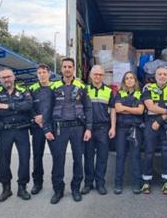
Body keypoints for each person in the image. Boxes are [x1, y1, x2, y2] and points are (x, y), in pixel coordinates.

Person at [43, 58, 92, 204]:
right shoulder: (53, 87)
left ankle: (76, 189)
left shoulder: (82, 86)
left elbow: (88, 108)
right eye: (64, 66)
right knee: (58, 160)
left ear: (74, 69)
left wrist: (88, 128)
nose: (67, 69)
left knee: (78, 159)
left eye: (70, 66)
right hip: (59, 129)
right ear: (61, 69)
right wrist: (46, 129)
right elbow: (47, 109)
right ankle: (58, 190)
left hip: (78, 128)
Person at [0, 67, 33, 202]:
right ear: (0, 79)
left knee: (25, 159)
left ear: (14, 77)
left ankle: (22, 187)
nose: (6, 79)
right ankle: (6, 188)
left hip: (22, 130)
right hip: (5, 131)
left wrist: (8, 106)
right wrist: (18, 107)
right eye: (3, 77)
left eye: (8, 76)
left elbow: (28, 106)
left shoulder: (23, 91)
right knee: (3, 160)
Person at [141, 66, 167, 194]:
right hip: (150, 123)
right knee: (149, 152)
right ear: (155, 76)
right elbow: (150, 106)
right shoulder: (148, 88)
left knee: (166, 153)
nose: (162, 76)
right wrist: (166, 110)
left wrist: (160, 118)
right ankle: (146, 181)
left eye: (165, 74)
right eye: (160, 74)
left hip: (165, 123)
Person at [82, 65, 116, 195]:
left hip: (103, 128)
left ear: (103, 76)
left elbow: (113, 110)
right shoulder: (84, 90)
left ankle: (100, 183)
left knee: (102, 157)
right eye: (95, 74)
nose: (98, 77)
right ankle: (88, 183)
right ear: (91, 75)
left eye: (100, 75)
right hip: (88, 128)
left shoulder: (108, 91)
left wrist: (113, 127)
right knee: (89, 157)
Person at [114, 71, 144, 194]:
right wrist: (133, 109)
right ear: (124, 81)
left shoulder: (140, 94)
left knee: (135, 157)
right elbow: (117, 109)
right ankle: (118, 184)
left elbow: (140, 111)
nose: (130, 80)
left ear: (135, 81)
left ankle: (137, 184)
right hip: (121, 129)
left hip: (135, 129)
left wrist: (125, 108)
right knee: (120, 156)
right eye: (127, 78)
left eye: (132, 78)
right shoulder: (119, 94)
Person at [28, 64, 53, 195]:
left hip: (52, 127)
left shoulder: (55, 87)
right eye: (39, 73)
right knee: (37, 156)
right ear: (37, 75)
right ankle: (37, 183)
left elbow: (58, 105)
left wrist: (46, 117)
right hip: (37, 127)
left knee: (57, 156)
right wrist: (35, 116)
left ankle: (57, 183)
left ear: (49, 74)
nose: (42, 75)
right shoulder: (32, 88)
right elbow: (28, 105)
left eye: (44, 72)